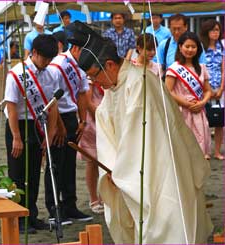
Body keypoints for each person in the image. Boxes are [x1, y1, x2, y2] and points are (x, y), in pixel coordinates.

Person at [77, 31, 212, 243]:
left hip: (158, 164)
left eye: (95, 75)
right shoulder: (113, 86)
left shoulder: (140, 81)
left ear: (110, 65)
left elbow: (141, 137)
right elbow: (107, 127)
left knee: (166, 218)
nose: (94, 82)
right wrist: (112, 166)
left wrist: (120, 169)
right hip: (128, 169)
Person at [4, 34, 59, 234]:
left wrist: (50, 133)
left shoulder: (50, 74)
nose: (47, 63)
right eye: (44, 58)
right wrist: (16, 137)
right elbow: (11, 108)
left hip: (37, 125)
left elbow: (53, 106)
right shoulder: (17, 73)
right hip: (17, 125)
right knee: (18, 173)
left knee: (34, 172)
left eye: (50, 59)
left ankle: (32, 215)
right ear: (34, 52)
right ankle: (18, 218)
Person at [45, 21, 96, 225]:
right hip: (58, 117)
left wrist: (83, 120)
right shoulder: (58, 65)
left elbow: (83, 94)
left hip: (73, 116)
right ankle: (53, 208)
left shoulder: (81, 67)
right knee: (55, 164)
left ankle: (70, 205)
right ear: (75, 48)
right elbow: (52, 99)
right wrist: (56, 124)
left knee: (69, 165)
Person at [165, 31, 212, 159]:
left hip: (198, 112)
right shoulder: (174, 68)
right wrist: (186, 104)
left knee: (200, 148)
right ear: (180, 47)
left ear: (198, 49)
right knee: (183, 150)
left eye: (193, 46)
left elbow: (208, 90)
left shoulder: (202, 68)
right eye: (187, 46)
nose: (190, 49)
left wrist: (202, 103)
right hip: (182, 112)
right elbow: (168, 91)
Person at [200, 19, 224, 160]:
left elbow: (223, 68)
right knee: (205, 120)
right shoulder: (201, 47)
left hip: (220, 87)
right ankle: (205, 151)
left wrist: (221, 88)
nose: (216, 33)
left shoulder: (221, 46)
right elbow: (200, 69)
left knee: (220, 121)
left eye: (217, 30)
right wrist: (207, 90)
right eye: (213, 30)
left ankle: (217, 151)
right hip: (205, 87)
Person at [79, 80, 104, 214]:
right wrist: (100, 118)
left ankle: (104, 197)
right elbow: (88, 102)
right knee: (92, 160)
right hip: (93, 121)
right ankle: (94, 198)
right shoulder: (89, 76)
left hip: (107, 118)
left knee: (108, 160)